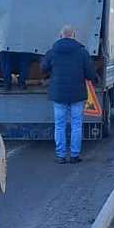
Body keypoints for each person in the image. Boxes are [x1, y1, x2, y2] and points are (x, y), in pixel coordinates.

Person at [42, 25, 97, 164]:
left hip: (58, 94)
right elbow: (90, 74)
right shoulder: (82, 52)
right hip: (77, 94)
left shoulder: (52, 51)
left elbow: (43, 68)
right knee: (76, 125)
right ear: (74, 35)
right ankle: (74, 155)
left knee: (59, 125)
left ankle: (60, 156)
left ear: (60, 35)